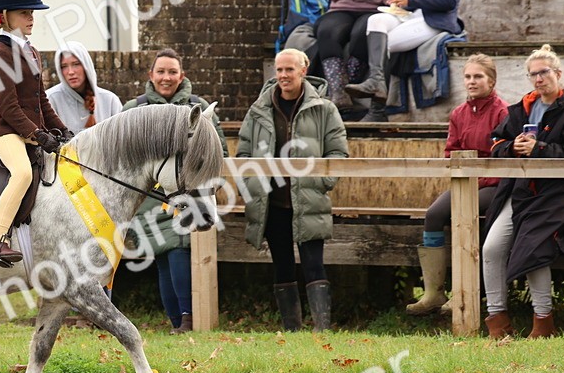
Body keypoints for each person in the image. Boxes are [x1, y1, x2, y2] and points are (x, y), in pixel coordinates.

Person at [482, 45, 564, 339]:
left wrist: (540, 148)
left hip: (557, 194)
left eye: (544, 72)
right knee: (491, 248)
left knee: (532, 247)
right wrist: (513, 147)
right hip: (521, 191)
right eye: (533, 74)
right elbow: (496, 143)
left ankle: (543, 323)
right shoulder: (522, 108)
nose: (538, 79)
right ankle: (497, 322)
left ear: (558, 73)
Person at [237, 48, 348, 332]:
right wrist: (252, 187)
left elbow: (338, 154)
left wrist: (321, 183)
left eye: (289, 69)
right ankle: (292, 331)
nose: (284, 75)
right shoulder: (258, 110)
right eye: (279, 70)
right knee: (282, 266)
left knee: (314, 265)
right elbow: (243, 155)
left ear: (303, 70)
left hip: (309, 201)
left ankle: (322, 329)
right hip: (271, 204)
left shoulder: (325, 110)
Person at [122, 48, 226, 334]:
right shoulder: (135, 109)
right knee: (164, 255)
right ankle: (180, 321)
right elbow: (124, 159)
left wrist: (204, 185)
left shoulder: (199, 108)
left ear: (182, 76)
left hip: (190, 195)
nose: (166, 77)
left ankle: (185, 320)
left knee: (178, 248)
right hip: (150, 199)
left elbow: (218, 153)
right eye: (161, 72)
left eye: (172, 72)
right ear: (151, 75)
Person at [0, 0, 71, 267]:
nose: (31, 18)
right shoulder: (0, 55)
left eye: (32, 12)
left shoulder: (31, 51)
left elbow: (41, 99)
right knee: (22, 173)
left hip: (26, 128)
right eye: (24, 13)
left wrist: (61, 128)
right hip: (4, 128)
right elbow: (8, 108)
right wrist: (38, 135)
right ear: (5, 16)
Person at [405, 55, 509, 315]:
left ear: (491, 81)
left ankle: (467, 292)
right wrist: (464, 174)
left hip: (495, 185)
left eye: (478, 76)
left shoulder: (502, 112)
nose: (472, 81)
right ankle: (434, 292)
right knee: (434, 214)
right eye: (468, 77)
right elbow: (451, 152)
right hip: (465, 182)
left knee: (469, 213)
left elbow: (503, 156)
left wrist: (479, 178)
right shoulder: (458, 114)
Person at [46, 41, 123, 134]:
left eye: (76, 64)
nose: (70, 72)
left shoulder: (110, 100)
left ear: (86, 65)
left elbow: (122, 137)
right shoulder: (50, 100)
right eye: (64, 66)